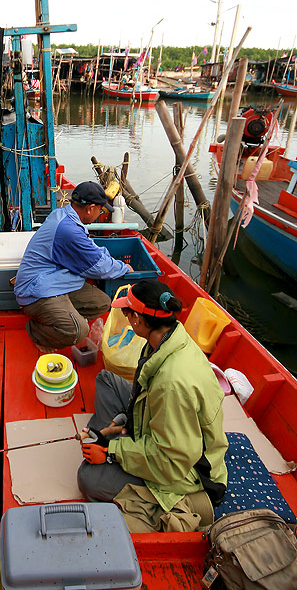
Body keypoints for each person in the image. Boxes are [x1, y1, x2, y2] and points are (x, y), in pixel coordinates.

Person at [77, 280, 228, 532]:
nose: (125, 317)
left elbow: (169, 461)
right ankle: (104, 438)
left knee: (87, 478)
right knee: (106, 380)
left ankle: (102, 447)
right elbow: (144, 395)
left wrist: (112, 451)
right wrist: (125, 419)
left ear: (138, 319)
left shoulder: (171, 385)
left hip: (185, 472)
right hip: (161, 427)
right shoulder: (168, 337)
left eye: (127, 313)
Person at [13, 181, 132, 351]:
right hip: (37, 290)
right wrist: (124, 268)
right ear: (90, 208)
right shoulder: (68, 230)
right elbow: (98, 266)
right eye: (101, 209)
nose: (100, 213)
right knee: (78, 332)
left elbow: (93, 250)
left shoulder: (64, 215)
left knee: (102, 302)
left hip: (57, 280)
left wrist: (109, 258)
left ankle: (63, 318)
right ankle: (38, 331)